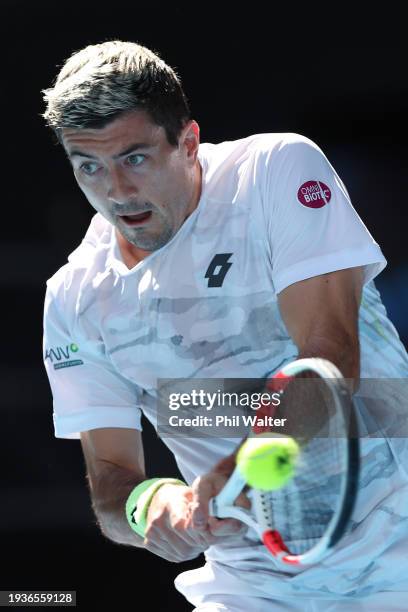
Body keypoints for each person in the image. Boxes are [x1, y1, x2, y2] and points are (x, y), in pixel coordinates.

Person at [41, 40, 408, 611]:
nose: (115, 191)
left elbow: (331, 358)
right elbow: (112, 484)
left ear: (188, 143)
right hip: (252, 586)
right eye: (88, 166)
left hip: (398, 548)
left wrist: (242, 465)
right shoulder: (74, 299)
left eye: (134, 158)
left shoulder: (274, 170)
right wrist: (152, 503)